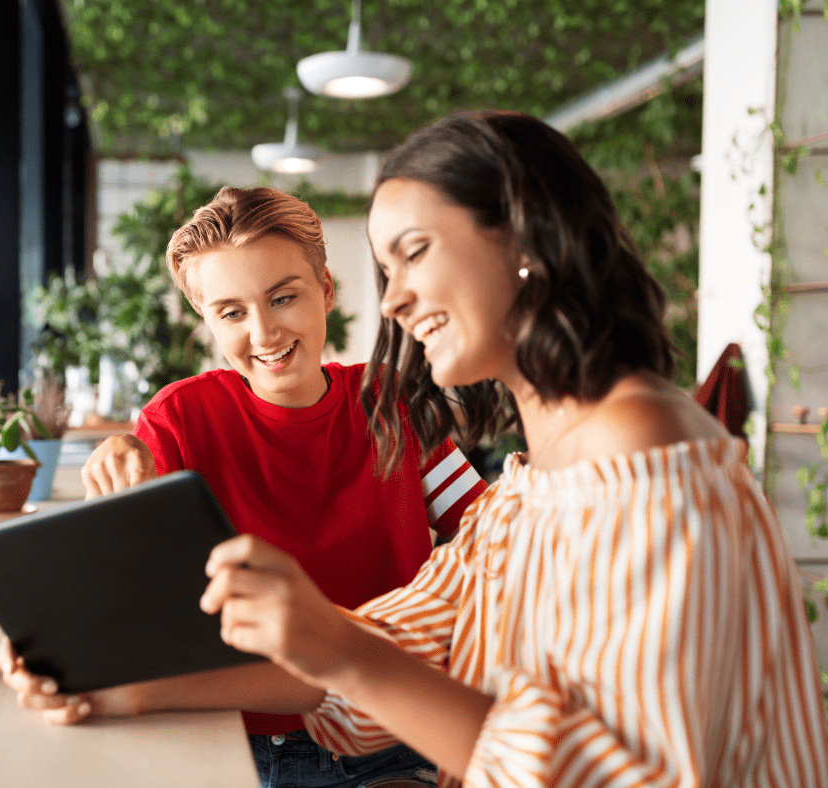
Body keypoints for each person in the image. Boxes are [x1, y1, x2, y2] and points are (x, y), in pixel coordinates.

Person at [200, 110, 828, 787]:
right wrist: (127, 692)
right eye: (387, 270)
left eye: (413, 252)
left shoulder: (639, 455)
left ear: (527, 239)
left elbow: (612, 775)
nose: (394, 302)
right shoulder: (527, 489)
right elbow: (402, 643)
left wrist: (342, 654)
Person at [0, 186, 487, 788]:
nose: (264, 331)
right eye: (231, 312)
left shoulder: (393, 404)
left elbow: (492, 539)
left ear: (327, 292)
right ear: (206, 321)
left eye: (283, 297)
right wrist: (43, 644)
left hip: (390, 734)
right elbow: (109, 586)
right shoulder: (178, 421)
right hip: (234, 739)